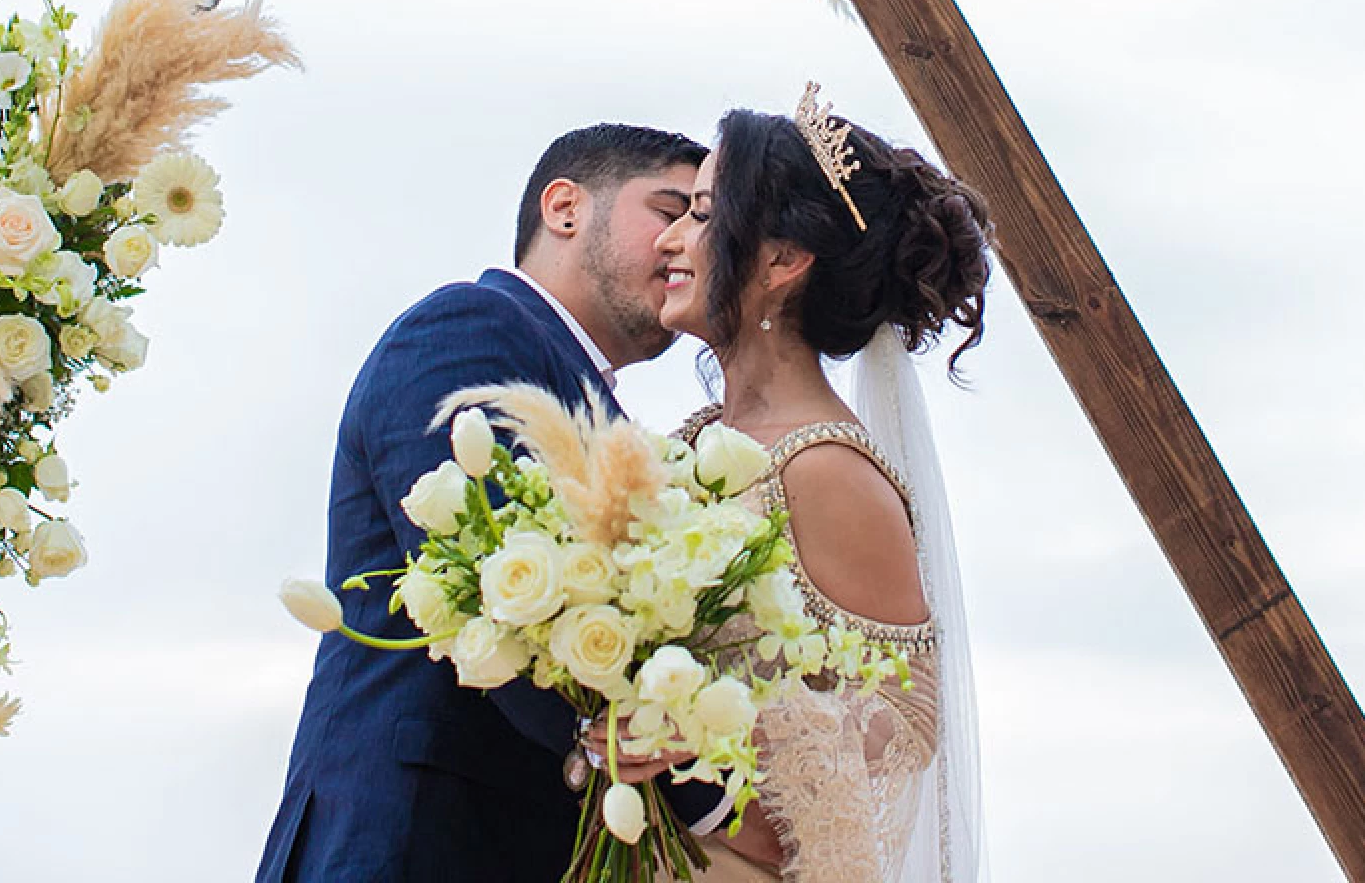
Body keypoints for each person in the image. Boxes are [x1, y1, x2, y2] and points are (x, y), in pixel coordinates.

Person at [257, 122, 727, 883]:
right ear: (566, 208)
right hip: (409, 838)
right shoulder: (468, 328)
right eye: (667, 211)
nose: (684, 243)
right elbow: (494, 584)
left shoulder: (601, 409)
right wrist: (708, 802)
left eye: (698, 224)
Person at [622, 88, 994, 883]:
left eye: (700, 213)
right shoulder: (687, 445)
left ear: (783, 261)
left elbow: (904, 727)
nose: (672, 238)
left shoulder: (824, 470)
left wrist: (715, 752)